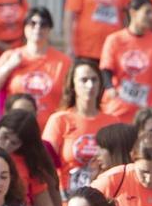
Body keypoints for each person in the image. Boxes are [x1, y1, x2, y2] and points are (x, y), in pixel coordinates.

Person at [0, 7, 70, 127]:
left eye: (43, 24)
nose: (38, 28)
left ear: (49, 30)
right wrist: (9, 67)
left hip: (50, 131)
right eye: (33, 23)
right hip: (15, 130)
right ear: (25, 28)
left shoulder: (63, 62)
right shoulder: (11, 56)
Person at [43, 60, 126, 191]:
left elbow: (120, 164)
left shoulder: (112, 121)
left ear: (100, 85)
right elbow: (45, 163)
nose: (90, 85)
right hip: (67, 200)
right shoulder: (59, 120)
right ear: (72, 85)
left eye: (94, 80)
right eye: (84, 80)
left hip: (103, 197)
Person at [99, 0, 152, 121]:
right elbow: (105, 69)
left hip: (146, 110)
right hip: (118, 108)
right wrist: (110, 88)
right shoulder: (115, 39)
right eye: (147, 12)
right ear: (133, 13)